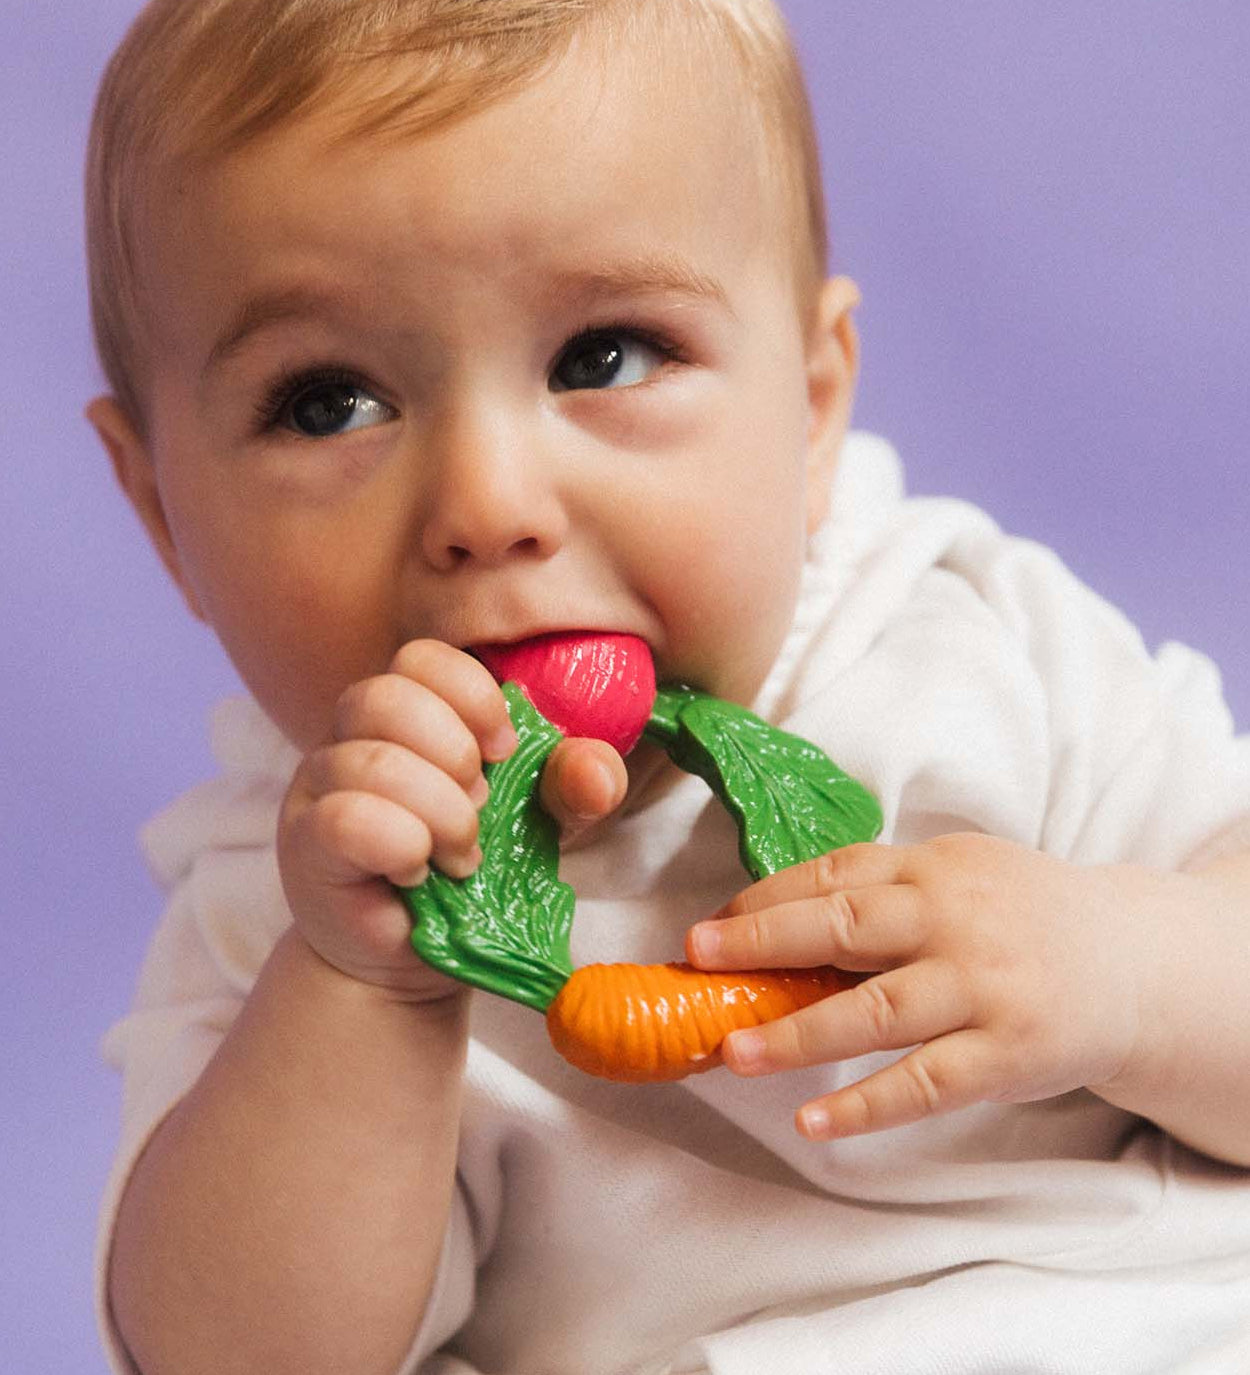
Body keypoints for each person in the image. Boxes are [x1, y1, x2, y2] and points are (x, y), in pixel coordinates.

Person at [84, 1, 1250, 1371]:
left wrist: (1115, 970)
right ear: (165, 517)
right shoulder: (295, 902)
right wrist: (360, 1001)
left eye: (604, 356)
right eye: (330, 401)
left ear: (810, 409)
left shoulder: (971, 644)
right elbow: (237, 1358)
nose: (489, 503)